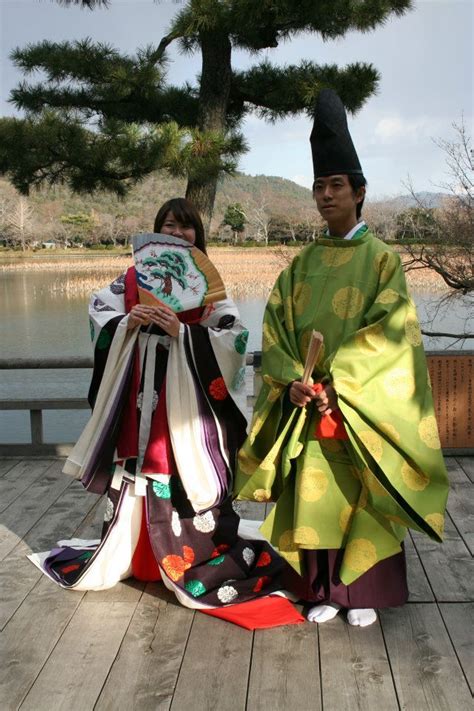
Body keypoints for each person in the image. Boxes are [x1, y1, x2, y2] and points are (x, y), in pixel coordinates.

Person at [30, 198, 302, 629]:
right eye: (168, 225)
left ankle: (187, 554)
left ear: (198, 234)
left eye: (185, 227)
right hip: (140, 386)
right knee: (137, 463)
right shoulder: (134, 277)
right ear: (155, 232)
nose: (176, 234)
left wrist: (186, 334)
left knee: (177, 462)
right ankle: (132, 553)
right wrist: (126, 322)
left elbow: (232, 336)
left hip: (183, 395)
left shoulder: (207, 286)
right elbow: (100, 310)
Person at [234, 90, 449, 627]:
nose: (326, 196)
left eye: (336, 186)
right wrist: (292, 381)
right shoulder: (301, 263)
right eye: (318, 187)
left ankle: (365, 594)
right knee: (316, 490)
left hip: (357, 405)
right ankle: (323, 588)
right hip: (309, 402)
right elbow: (278, 326)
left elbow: (392, 333)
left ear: (359, 193)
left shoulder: (382, 261)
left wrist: (339, 382)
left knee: (359, 489)